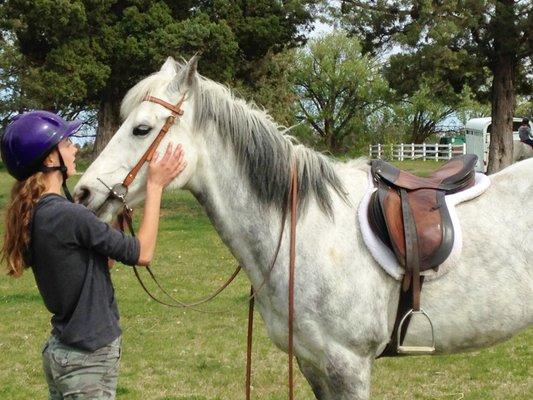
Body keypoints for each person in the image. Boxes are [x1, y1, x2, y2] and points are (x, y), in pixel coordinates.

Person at [0, 110, 186, 399]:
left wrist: (118, 215)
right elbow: (143, 252)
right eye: (67, 144)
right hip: (87, 360)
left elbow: (100, 261)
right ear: (51, 160)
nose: (74, 149)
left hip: (63, 353)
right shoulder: (69, 216)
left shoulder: (38, 213)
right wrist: (155, 185)